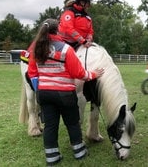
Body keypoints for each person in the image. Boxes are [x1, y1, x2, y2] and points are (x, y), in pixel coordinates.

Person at [27, 18, 104, 166]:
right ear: (58, 30)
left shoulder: (36, 49)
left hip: (44, 94)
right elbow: (79, 73)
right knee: (72, 123)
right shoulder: (66, 49)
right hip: (65, 94)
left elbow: (32, 73)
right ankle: (79, 152)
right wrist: (94, 74)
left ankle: (52, 157)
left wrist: (40, 89)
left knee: (50, 126)